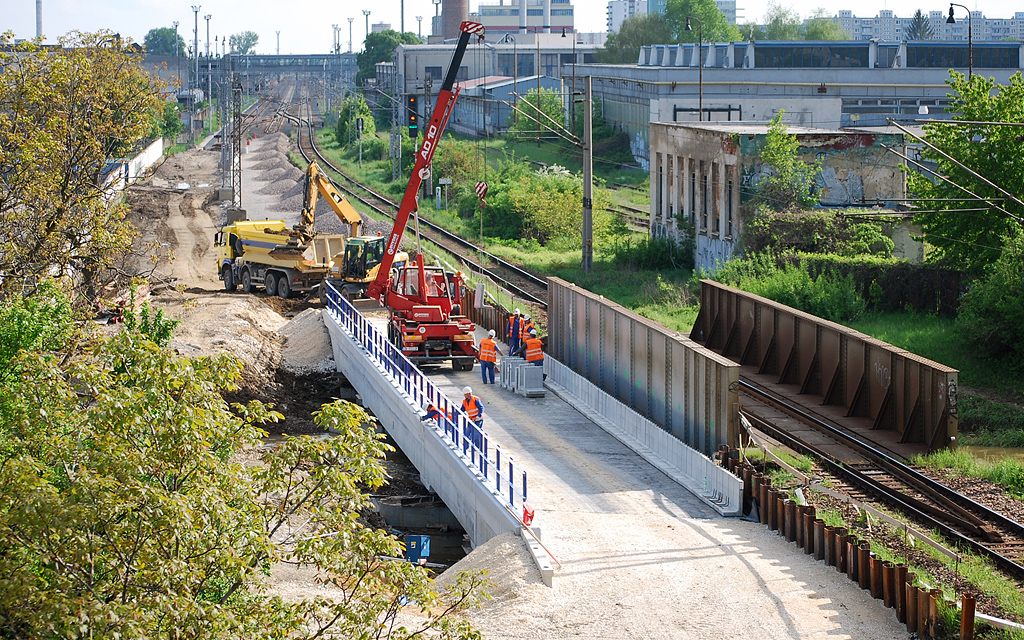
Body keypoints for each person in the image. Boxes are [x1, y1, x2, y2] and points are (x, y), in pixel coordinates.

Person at [461, 386, 485, 452]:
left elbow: (481, 408)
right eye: (464, 394)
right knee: (467, 432)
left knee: (476, 434)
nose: (465, 396)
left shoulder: (475, 399)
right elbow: (462, 409)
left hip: (478, 419)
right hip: (471, 419)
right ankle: (465, 447)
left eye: (465, 394)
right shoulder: (465, 401)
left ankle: (477, 447)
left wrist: (479, 415)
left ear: (469, 393)